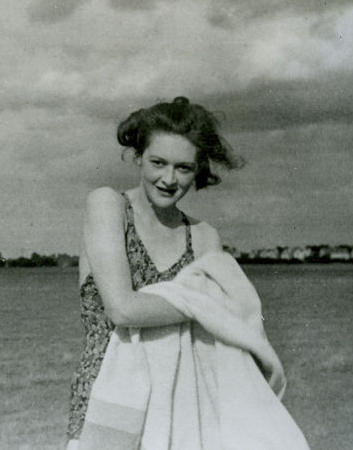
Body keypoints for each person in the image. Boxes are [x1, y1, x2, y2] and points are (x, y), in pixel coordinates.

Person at [66, 96, 244, 446]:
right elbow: (122, 309)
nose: (168, 179)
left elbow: (227, 327)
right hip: (109, 397)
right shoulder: (108, 206)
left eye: (184, 168)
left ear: (199, 170)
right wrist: (205, 304)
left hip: (182, 402)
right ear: (138, 157)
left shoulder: (205, 237)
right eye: (158, 162)